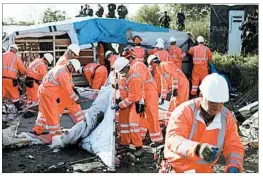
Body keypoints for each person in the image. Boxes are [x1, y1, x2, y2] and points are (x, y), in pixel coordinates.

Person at [162, 73, 244, 173]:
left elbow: (234, 146)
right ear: (201, 96)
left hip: (204, 170)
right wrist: (197, 149)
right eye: (213, 101)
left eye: (221, 102)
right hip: (177, 168)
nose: (217, 106)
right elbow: (174, 139)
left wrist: (234, 166)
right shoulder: (184, 111)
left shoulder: (226, 117)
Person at [123, 49, 163, 146]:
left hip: (149, 93)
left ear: (130, 58)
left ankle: (158, 139)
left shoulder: (138, 65)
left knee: (152, 116)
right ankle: (142, 137)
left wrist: (140, 99)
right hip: (146, 94)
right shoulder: (134, 66)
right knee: (144, 116)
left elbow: (140, 82)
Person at [32, 59, 82, 136]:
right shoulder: (64, 73)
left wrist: (73, 87)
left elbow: (67, 83)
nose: (74, 71)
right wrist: (76, 98)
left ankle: (37, 129)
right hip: (48, 93)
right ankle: (55, 134)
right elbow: (67, 89)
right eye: (74, 70)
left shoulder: (61, 68)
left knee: (44, 112)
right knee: (53, 114)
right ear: (70, 65)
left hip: (44, 90)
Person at [111, 57, 145, 156]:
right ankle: (124, 142)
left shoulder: (134, 78)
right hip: (125, 100)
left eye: (121, 70)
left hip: (136, 102)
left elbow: (133, 97)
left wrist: (120, 105)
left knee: (133, 123)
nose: (120, 72)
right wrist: (119, 98)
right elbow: (122, 88)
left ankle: (139, 147)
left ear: (126, 67)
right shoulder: (123, 73)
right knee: (123, 122)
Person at [147, 55, 189, 126]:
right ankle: (169, 124)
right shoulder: (159, 68)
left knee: (180, 103)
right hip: (177, 86)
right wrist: (163, 97)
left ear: (153, 62)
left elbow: (174, 75)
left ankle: (181, 123)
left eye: (151, 64)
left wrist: (175, 89)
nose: (152, 67)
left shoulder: (165, 65)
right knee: (173, 104)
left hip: (182, 85)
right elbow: (164, 82)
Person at [56, 44, 84, 124]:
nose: (75, 57)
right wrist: (74, 96)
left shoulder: (65, 61)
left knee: (59, 109)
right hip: (64, 91)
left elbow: (68, 77)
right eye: (74, 55)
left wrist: (72, 86)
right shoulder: (64, 62)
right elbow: (64, 81)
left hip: (63, 90)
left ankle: (52, 124)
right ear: (70, 52)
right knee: (74, 106)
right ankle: (82, 123)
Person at [2, 44, 26, 111]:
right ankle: (18, 108)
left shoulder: (2, 55)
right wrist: (23, 74)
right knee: (15, 94)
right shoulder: (16, 57)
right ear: (16, 50)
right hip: (11, 80)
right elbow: (22, 70)